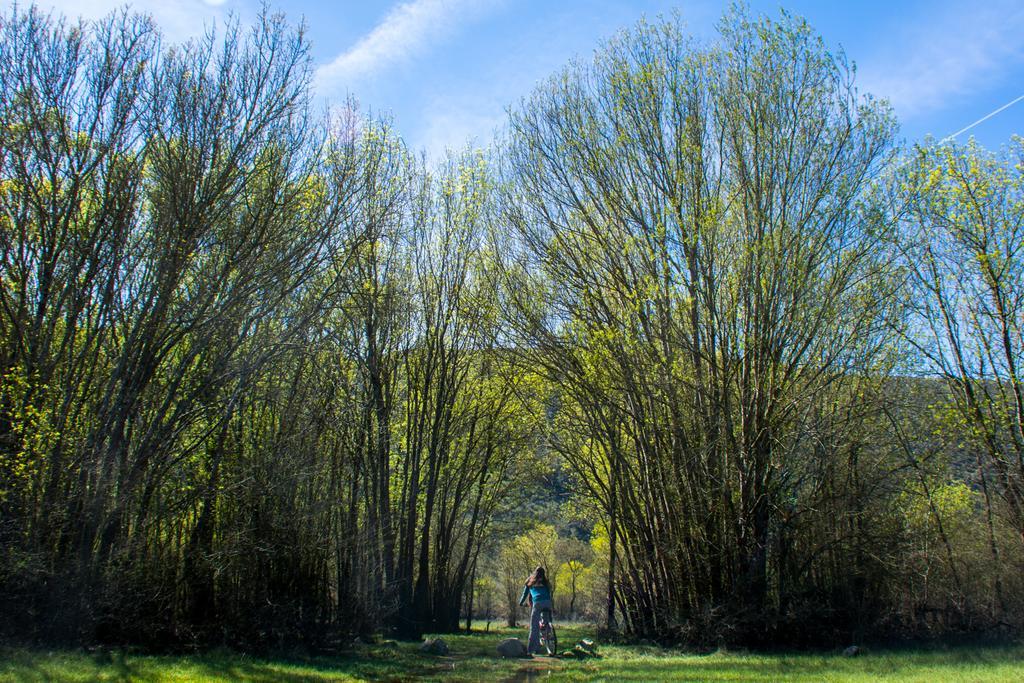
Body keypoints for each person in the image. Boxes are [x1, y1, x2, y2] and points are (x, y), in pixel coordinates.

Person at [518, 566, 553, 655]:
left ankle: (531, 650)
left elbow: (524, 594)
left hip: (537, 603)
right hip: (548, 603)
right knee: (546, 622)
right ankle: (549, 639)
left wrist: (521, 603)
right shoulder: (545, 582)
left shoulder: (530, 582)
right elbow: (548, 593)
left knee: (534, 627)